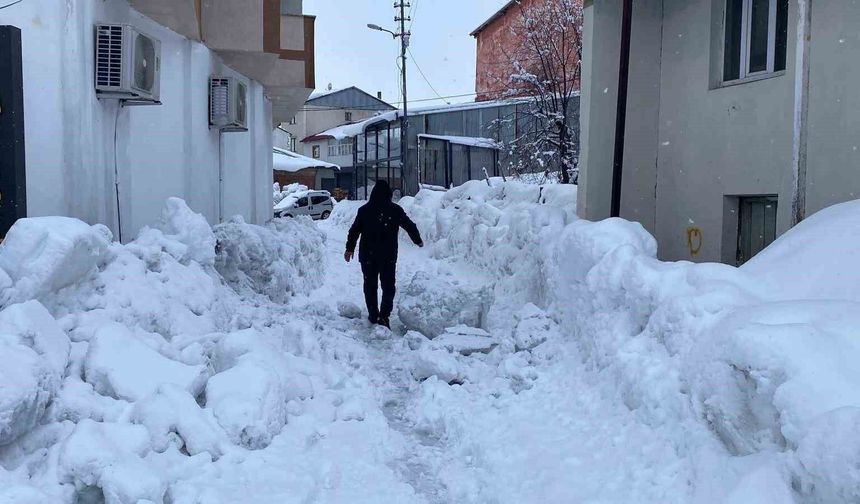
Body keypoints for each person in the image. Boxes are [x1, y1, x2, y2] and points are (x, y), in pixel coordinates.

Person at [345, 181, 423, 329]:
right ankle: (385, 315)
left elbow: (354, 231)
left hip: (368, 255)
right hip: (388, 255)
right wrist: (418, 241)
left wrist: (349, 249)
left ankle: (373, 314)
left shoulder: (364, 210)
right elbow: (410, 226)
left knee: (370, 285)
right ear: (389, 194)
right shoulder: (395, 210)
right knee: (388, 286)